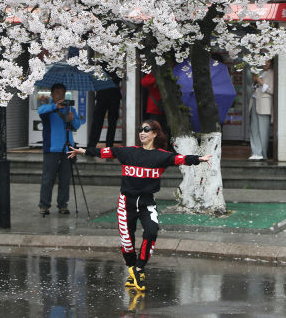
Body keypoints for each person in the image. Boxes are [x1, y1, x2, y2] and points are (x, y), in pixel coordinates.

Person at [68, 120, 211, 292]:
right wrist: (82, 151)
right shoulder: (128, 152)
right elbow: (106, 152)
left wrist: (199, 159)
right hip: (125, 203)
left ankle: (138, 269)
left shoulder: (161, 156)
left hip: (146, 203)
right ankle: (133, 270)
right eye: (140, 129)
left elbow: (179, 158)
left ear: (155, 133)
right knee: (127, 243)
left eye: (146, 129)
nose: (142, 132)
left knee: (152, 231)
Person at [38, 83, 81, 216]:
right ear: (51, 94)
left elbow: (77, 125)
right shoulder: (48, 109)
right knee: (48, 178)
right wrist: (55, 106)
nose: (60, 95)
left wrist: (71, 120)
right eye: (57, 92)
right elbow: (41, 111)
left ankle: (63, 205)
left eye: (62, 92)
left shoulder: (70, 109)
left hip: (67, 149)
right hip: (51, 149)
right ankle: (44, 205)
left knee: (65, 179)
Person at [247, 59, 273, 160]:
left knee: (263, 130)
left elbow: (273, 90)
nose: (266, 64)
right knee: (254, 129)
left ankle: (263, 153)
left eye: (268, 62)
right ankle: (255, 152)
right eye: (264, 61)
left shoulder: (273, 73)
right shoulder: (259, 72)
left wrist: (261, 83)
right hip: (254, 101)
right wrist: (255, 82)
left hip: (265, 104)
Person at [87, 71, 122, 149]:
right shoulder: (100, 65)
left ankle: (109, 147)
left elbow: (120, 77)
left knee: (112, 123)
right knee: (97, 122)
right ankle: (91, 147)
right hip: (102, 95)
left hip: (113, 95)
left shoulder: (118, 65)